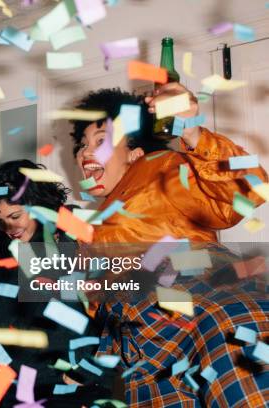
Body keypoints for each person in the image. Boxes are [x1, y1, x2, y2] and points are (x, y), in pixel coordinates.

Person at [68, 84, 269, 406]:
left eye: (100, 141)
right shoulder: (89, 229)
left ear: (134, 153)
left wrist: (189, 127)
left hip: (205, 301)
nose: (85, 153)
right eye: (81, 146)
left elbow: (248, 189)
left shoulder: (159, 167)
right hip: (144, 340)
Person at [0, 159, 114, 407]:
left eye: (15, 215)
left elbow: (115, 309)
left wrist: (86, 372)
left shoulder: (76, 229)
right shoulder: (4, 254)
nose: (10, 228)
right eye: (1, 220)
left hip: (76, 389)